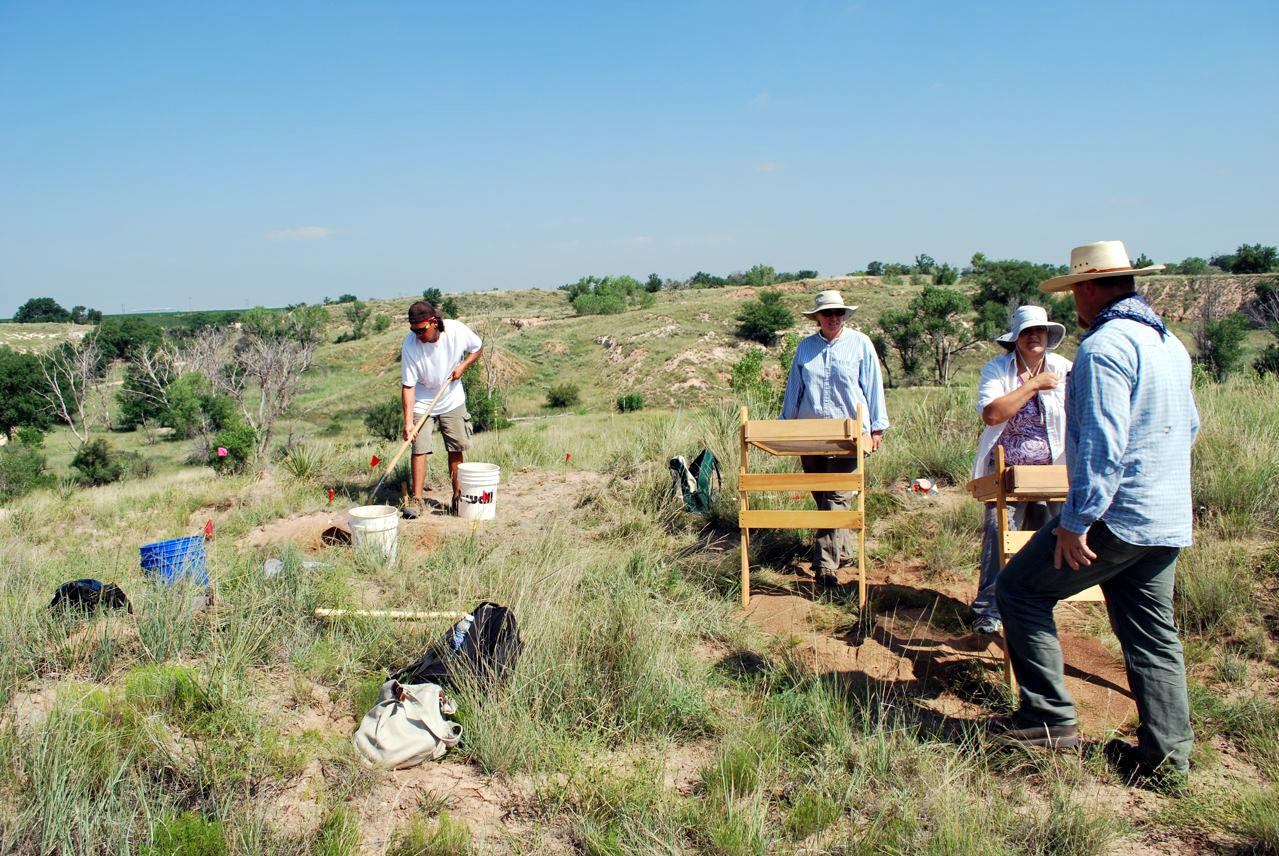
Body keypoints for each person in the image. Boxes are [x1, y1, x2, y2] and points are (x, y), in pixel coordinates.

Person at [991, 241, 1198, 788]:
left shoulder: (1105, 347)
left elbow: (1101, 446)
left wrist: (1076, 522)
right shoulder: (1169, 343)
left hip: (1114, 515)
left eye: (1074, 293)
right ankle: (1167, 762)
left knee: (1020, 591)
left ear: (1085, 289)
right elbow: (1191, 427)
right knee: (1154, 636)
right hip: (1166, 514)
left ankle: (1046, 722)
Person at [970, 305, 1072, 635]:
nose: (1034, 337)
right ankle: (989, 609)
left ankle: (1037, 607)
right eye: (1027, 332)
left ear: (1048, 336)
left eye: (1039, 331)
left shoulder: (1065, 369)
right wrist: (1032, 385)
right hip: (1007, 473)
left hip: (1055, 473)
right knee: (998, 535)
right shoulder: (997, 371)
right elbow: (993, 414)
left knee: (1048, 538)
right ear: (1015, 339)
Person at [780, 289, 889, 587]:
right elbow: (794, 390)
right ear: (817, 317)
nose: (833, 318)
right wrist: (784, 428)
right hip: (810, 435)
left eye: (838, 312)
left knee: (837, 497)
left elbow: (872, 386)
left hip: (849, 437)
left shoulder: (861, 344)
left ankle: (825, 565)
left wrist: (877, 427)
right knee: (822, 497)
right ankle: (844, 550)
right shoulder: (804, 348)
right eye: (827, 313)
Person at [400, 300, 483, 518]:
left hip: (452, 398)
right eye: (413, 329)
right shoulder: (410, 345)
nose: (417, 335)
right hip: (422, 400)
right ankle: (417, 501)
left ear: (434, 322)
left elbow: (477, 347)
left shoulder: (456, 330)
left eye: (421, 330)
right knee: (418, 447)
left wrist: (463, 366)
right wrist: (409, 423)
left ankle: (458, 498)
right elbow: (408, 386)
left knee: (455, 448)